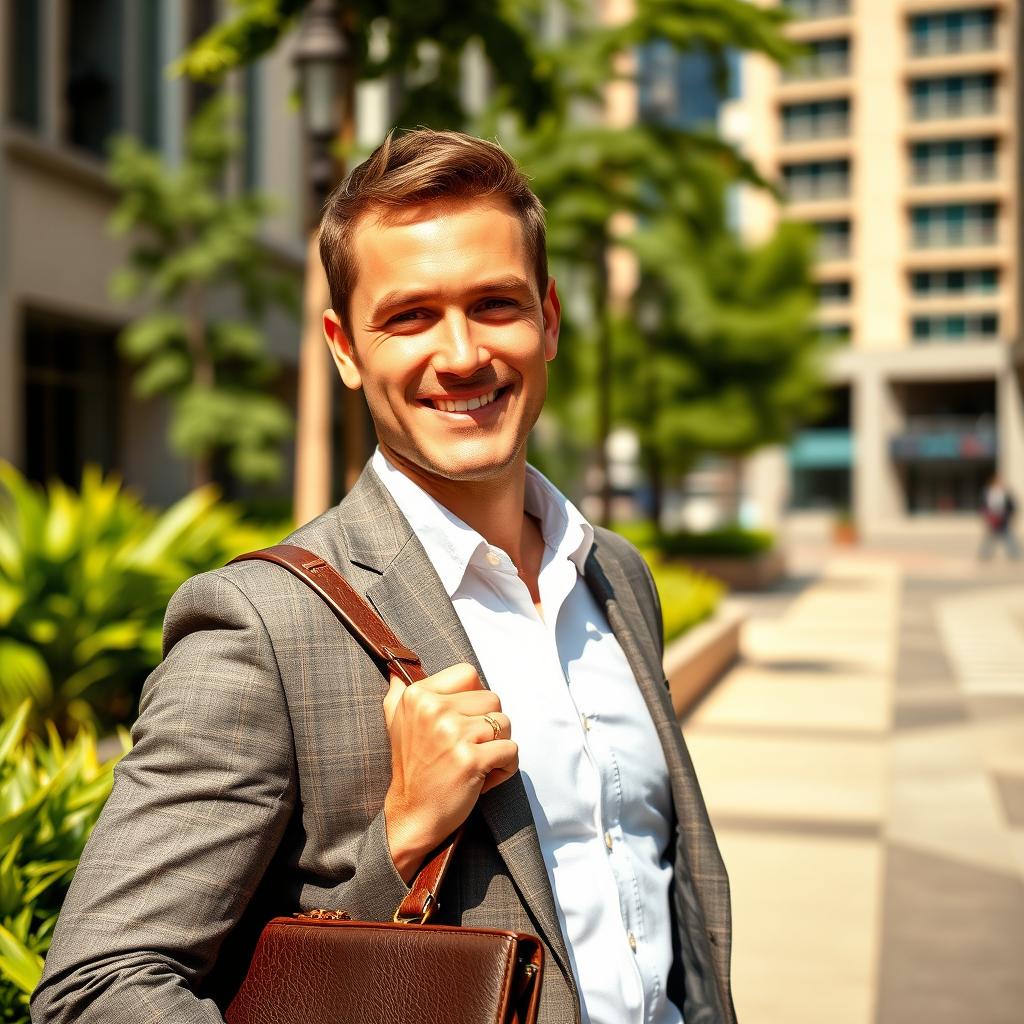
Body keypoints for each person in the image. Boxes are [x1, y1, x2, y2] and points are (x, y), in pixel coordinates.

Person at [32, 130, 735, 1024]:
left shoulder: (615, 576)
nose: (462, 354)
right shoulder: (262, 626)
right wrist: (399, 840)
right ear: (344, 348)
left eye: (495, 304)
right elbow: (97, 991)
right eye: (409, 317)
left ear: (549, 319)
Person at [979, 474, 1020, 561]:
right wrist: (986, 517)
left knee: (1009, 537)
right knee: (990, 537)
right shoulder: (988, 493)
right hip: (992, 518)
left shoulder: (1006, 493)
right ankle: (984, 555)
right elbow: (983, 506)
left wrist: (1012, 517)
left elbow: (1012, 506)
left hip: (1004, 518)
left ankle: (1016, 554)